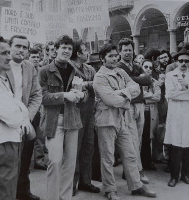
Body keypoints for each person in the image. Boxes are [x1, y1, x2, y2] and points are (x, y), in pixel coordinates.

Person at [93, 43, 157, 200]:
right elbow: (111, 99)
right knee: (108, 157)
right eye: (110, 56)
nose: (114, 58)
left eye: (115, 55)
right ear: (102, 59)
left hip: (122, 119)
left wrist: (122, 94)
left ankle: (136, 185)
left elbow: (135, 87)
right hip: (106, 121)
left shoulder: (121, 71)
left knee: (130, 153)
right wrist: (126, 96)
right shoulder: (99, 77)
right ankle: (110, 189)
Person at [39, 35, 86, 200]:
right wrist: (64, 95)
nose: (66, 51)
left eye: (69, 48)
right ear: (56, 49)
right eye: (63, 47)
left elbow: (84, 93)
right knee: (55, 161)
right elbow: (42, 98)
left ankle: (65, 197)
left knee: (70, 164)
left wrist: (81, 95)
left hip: (72, 120)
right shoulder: (45, 71)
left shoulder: (76, 70)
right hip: (54, 122)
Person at [0, 36, 30, 200]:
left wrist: (19, 110)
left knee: (8, 192)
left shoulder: (0, 78)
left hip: (7, 143)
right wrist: (20, 111)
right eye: (3, 53)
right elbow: (14, 117)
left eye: (8, 52)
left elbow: (19, 110)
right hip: (0, 146)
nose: (9, 57)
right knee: (2, 194)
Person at [5, 35, 42, 200]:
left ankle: (23, 191)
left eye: (24, 47)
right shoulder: (0, 66)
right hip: (5, 121)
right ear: (9, 47)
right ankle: (8, 194)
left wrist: (27, 117)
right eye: (17, 46)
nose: (21, 50)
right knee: (6, 162)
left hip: (26, 120)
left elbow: (36, 95)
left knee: (26, 158)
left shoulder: (29, 67)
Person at [117, 38, 151, 182]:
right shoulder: (118, 67)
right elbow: (123, 83)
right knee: (131, 140)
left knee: (139, 138)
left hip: (140, 105)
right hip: (127, 106)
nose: (128, 53)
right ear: (120, 52)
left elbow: (148, 79)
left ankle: (129, 170)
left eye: (130, 50)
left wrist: (132, 79)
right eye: (125, 50)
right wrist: (137, 78)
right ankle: (137, 171)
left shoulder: (136, 66)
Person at [69, 41, 100, 195]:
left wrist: (86, 84)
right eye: (85, 50)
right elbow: (74, 88)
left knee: (88, 146)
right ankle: (72, 184)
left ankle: (85, 181)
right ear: (78, 53)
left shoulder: (90, 68)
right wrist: (91, 84)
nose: (88, 52)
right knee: (75, 148)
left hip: (89, 113)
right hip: (75, 112)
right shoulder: (69, 68)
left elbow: (98, 84)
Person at [164, 48, 189, 187]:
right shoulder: (170, 75)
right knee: (175, 147)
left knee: (187, 146)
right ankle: (174, 176)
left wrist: (186, 87)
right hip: (175, 115)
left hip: (188, 115)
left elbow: (176, 94)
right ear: (176, 62)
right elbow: (171, 94)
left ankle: (186, 174)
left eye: (186, 61)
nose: (184, 63)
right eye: (181, 61)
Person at [29, 47, 47, 170]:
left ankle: (39, 160)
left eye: (37, 57)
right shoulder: (24, 71)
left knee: (40, 135)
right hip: (28, 107)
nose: (35, 59)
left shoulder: (40, 71)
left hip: (40, 107)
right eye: (33, 57)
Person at [141, 60, 161, 170]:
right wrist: (150, 95)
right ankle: (140, 164)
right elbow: (137, 94)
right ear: (142, 67)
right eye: (146, 66)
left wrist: (144, 98)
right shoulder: (137, 81)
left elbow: (158, 97)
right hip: (140, 112)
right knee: (140, 138)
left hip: (150, 113)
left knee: (148, 138)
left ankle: (147, 162)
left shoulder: (154, 82)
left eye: (150, 67)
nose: (148, 69)